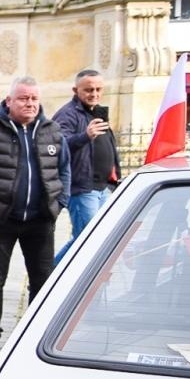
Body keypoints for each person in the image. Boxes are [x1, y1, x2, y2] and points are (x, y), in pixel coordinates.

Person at [0, 77, 71, 353]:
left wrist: (60, 204)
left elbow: (64, 170)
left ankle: (36, 333)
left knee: (41, 278)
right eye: (23, 98)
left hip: (40, 220)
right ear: (9, 101)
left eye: (34, 98)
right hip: (1, 220)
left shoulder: (52, 131)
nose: (30, 103)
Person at [52, 69, 119, 262]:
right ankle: (49, 278)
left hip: (103, 186)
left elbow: (108, 147)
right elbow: (57, 144)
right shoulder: (67, 114)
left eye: (98, 89)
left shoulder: (96, 112)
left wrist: (115, 178)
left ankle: (50, 277)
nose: (94, 94)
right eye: (89, 90)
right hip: (82, 188)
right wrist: (85, 136)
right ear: (76, 90)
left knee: (93, 238)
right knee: (86, 240)